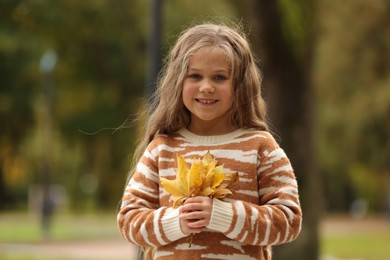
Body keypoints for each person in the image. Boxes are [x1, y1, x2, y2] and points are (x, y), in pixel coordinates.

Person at [117, 22, 302, 260]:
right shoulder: (161, 149)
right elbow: (128, 220)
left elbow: (288, 221)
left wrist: (221, 215)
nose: (206, 87)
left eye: (219, 77)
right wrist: (177, 221)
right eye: (195, 75)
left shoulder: (260, 147)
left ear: (240, 85)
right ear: (178, 81)